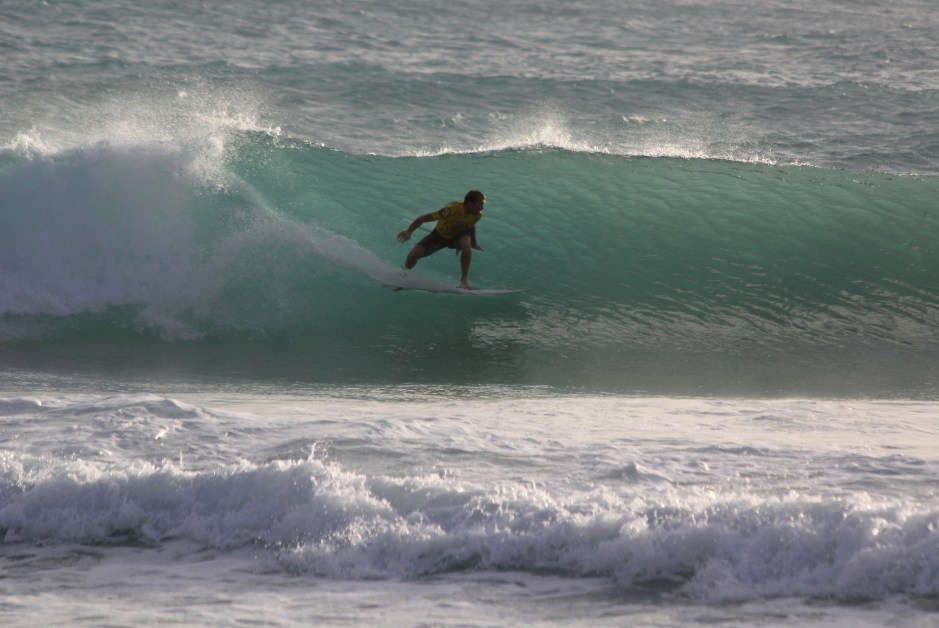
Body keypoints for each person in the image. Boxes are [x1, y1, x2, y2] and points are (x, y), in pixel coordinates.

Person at [397, 189, 486, 289]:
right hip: (439, 235)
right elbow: (424, 218)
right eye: (480, 204)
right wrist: (409, 231)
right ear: (470, 203)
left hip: (456, 237)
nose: (482, 207)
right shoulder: (450, 210)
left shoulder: (477, 215)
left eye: (483, 204)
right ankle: (404, 275)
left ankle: (464, 281)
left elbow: (470, 227)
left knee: (466, 242)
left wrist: (474, 243)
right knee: (414, 254)